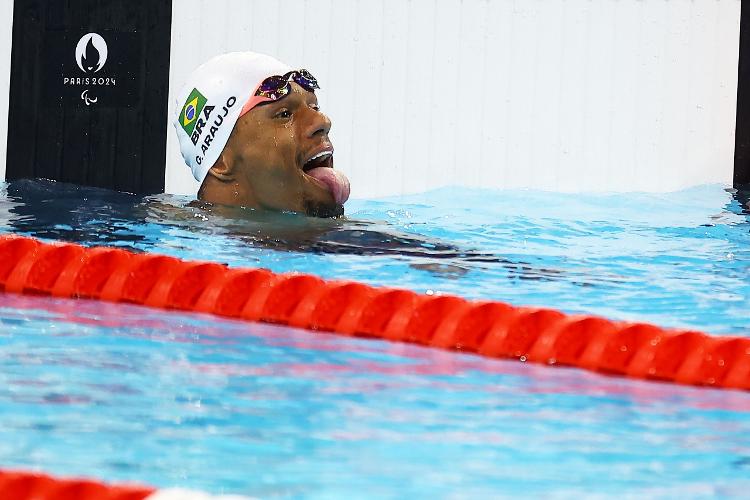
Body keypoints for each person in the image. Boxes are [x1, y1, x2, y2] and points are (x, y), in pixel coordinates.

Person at [173, 52, 350, 218]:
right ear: (221, 160)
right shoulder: (164, 241)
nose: (323, 121)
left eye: (314, 108)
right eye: (285, 114)